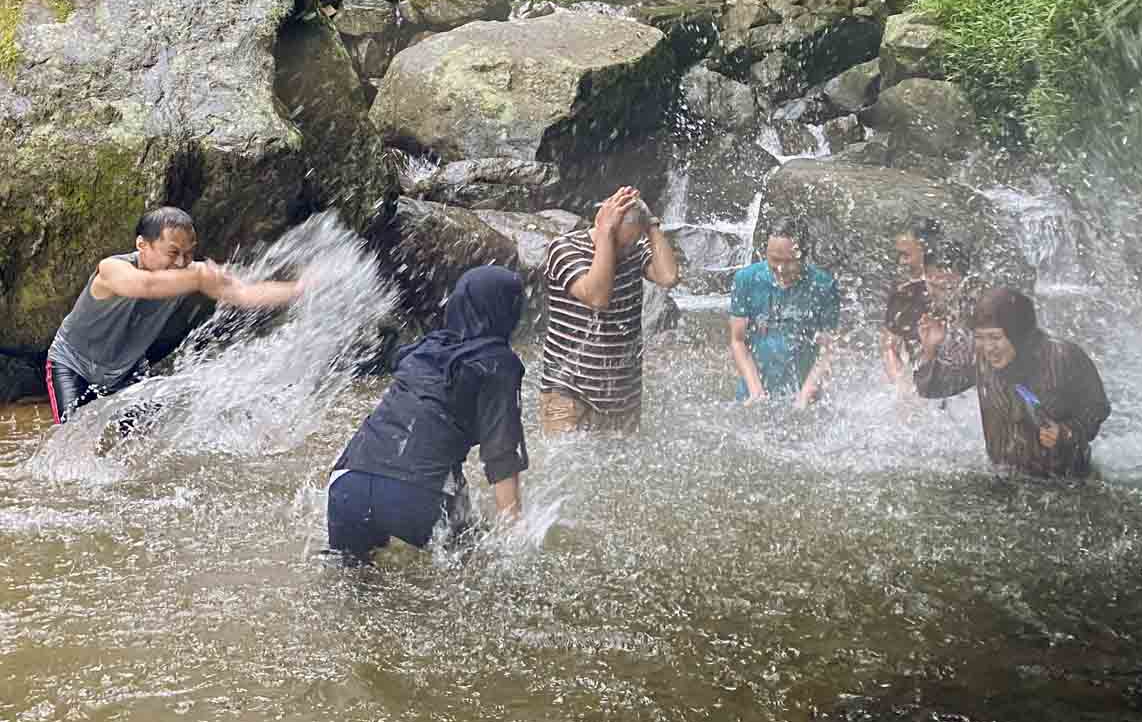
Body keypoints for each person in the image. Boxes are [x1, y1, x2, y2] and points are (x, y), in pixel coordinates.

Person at [327, 266, 528, 562]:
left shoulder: (426, 347)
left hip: (347, 482)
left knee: (353, 585)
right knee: (478, 562)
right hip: (417, 495)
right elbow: (501, 450)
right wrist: (514, 530)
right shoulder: (499, 364)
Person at [45, 206, 303, 424]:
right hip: (73, 365)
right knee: (71, 441)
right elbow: (145, 286)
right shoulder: (112, 268)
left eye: (189, 253)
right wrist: (199, 277)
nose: (181, 262)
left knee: (139, 446)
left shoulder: (192, 273)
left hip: (127, 370)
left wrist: (301, 289)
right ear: (142, 245)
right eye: (173, 253)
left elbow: (246, 294)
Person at [914, 285, 1111, 476]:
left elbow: (1097, 409)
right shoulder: (978, 355)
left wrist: (1066, 432)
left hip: (1065, 479)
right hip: (1004, 475)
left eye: (995, 337)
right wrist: (931, 349)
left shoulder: (1063, 356)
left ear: (1019, 335)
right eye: (981, 337)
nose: (988, 348)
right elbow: (931, 388)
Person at [539, 186, 681, 435]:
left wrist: (651, 225)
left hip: (623, 392)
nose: (622, 251)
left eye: (629, 244)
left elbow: (668, 277)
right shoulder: (564, 249)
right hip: (568, 392)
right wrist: (606, 234)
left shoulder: (633, 249)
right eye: (618, 243)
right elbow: (597, 297)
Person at [729, 218, 841, 407]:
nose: (781, 268)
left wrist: (806, 392)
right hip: (752, 391)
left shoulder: (823, 285)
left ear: (804, 255)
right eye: (774, 260)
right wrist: (755, 389)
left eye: (789, 261)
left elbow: (828, 349)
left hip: (804, 395)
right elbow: (738, 340)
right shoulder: (746, 280)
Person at [882, 221, 971, 389]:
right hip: (922, 380)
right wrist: (901, 382)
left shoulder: (977, 307)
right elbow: (889, 346)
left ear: (963, 282)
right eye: (934, 287)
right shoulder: (907, 298)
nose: (939, 295)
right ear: (926, 275)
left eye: (948, 288)